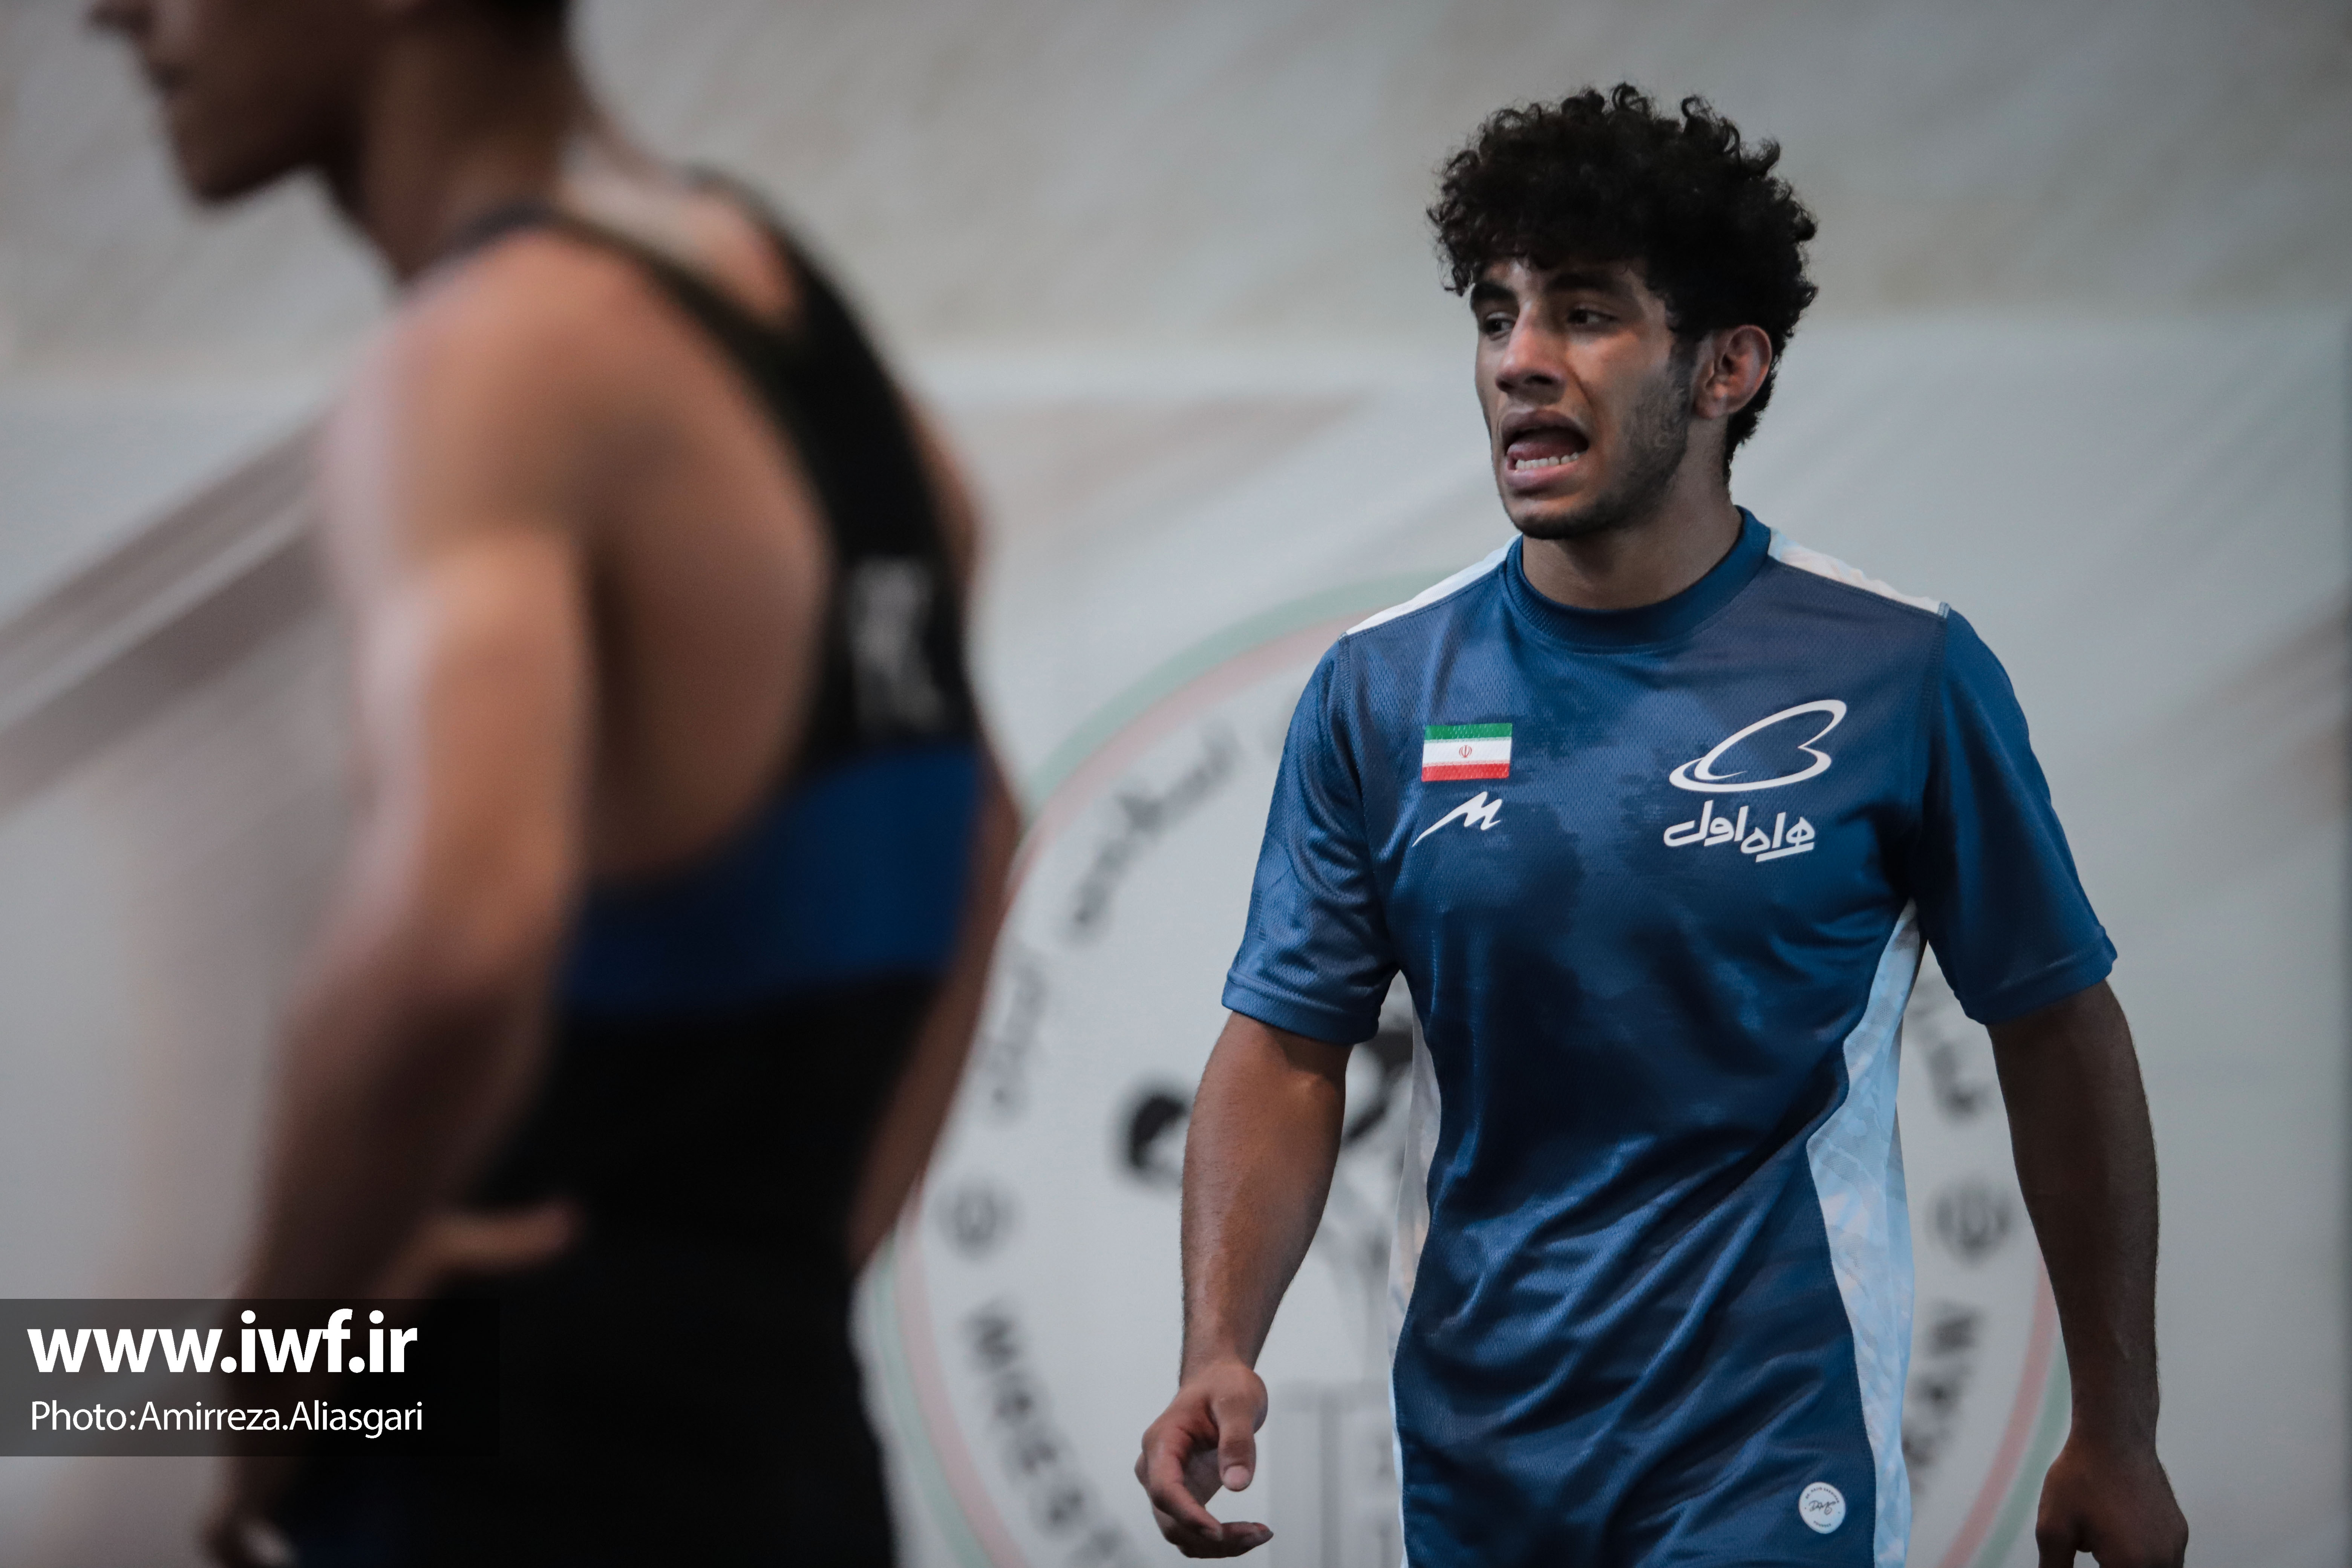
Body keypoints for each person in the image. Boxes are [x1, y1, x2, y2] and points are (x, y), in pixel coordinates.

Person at [1135, 86, 2188, 1568]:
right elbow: (1290, 1048)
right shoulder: (1381, 688)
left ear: (1727, 368)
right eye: (1495, 315)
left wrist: (2119, 1428)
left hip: (1774, 1456)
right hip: (1478, 1465)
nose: (1519, 360)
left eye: (1584, 314)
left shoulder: (1903, 671)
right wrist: (1218, 1342)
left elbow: (2059, 1031)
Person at [89, 0, 1016, 1563]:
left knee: (94, 1392)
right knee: (77, 1380)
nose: (113, 15)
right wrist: (768, 1290)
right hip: (789, 1451)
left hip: (503, 1472)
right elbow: (980, 837)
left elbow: (455, 940)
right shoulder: (801, 322)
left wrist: (271, 1384)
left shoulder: (484, 358)